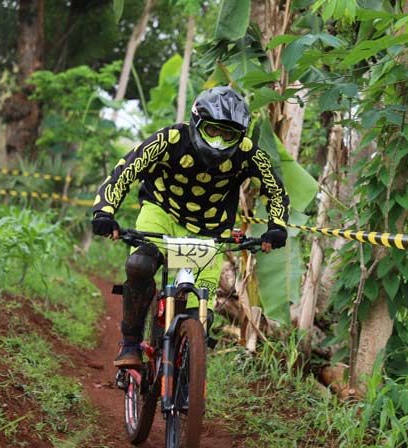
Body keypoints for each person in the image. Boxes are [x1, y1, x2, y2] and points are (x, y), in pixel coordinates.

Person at [91, 86, 289, 368]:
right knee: (139, 266)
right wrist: (104, 213)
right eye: (212, 131)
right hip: (161, 213)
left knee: (199, 313)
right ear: (197, 123)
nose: (220, 142)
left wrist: (276, 227)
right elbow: (126, 170)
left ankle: (183, 374)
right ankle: (130, 343)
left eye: (228, 135)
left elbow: (276, 191)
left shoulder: (248, 153)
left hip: (209, 231)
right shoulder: (171, 138)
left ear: (240, 137)